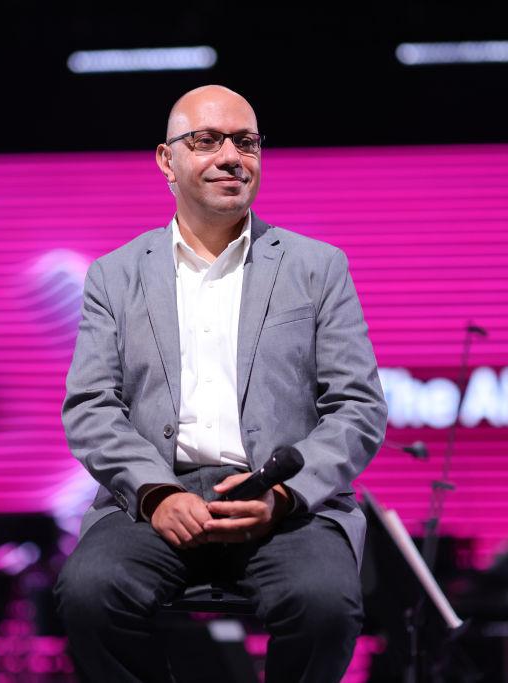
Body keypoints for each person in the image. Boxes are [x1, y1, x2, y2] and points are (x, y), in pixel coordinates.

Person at [55, 84, 387, 683]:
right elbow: (90, 406)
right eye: (207, 140)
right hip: (155, 500)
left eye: (247, 142)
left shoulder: (318, 268)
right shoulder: (114, 275)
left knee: (325, 606)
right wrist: (155, 494)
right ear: (166, 160)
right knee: (88, 595)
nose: (231, 156)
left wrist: (282, 496)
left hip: (284, 503)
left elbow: (358, 408)